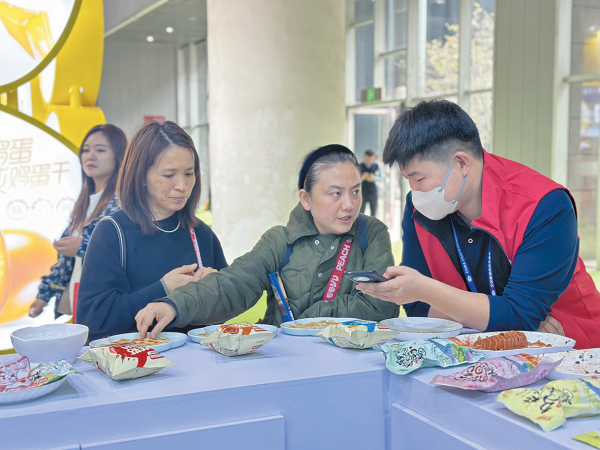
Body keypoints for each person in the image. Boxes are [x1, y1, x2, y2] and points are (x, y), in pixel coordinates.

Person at [357, 100, 600, 349]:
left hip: (572, 352)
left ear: (462, 163)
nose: (414, 190)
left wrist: (427, 290)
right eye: (408, 179)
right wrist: (504, 319)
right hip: (480, 350)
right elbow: (417, 309)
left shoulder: (544, 206)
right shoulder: (420, 206)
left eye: (419, 178)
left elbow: (519, 316)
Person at [135, 144, 399, 338]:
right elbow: (234, 283)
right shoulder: (279, 241)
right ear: (306, 199)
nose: (349, 205)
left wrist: (306, 320)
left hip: (351, 368)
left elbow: (380, 305)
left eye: (355, 192)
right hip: (286, 364)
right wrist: (175, 304)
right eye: (335, 193)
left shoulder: (370, 232)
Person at [76, 121, 228, 341]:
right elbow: (93, 320)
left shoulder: (201, 234)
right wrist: (162, 288)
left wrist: (216, 290)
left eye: (189, 174)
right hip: (136, 368)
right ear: (141, 176)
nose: (182, 186)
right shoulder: (112, 232)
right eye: (169, 175)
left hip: (197, 367)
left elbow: (225, 314)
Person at [30, 124, 126, 318]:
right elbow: (65, 263)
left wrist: (82, 247)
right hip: (79, 298)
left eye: (100, 150)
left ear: (119, 155)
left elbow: (124, 248)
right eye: (86, 150)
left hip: (108, 302)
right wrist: (44, 294)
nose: (90, 156)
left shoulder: (125, 201)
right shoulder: (84, 203)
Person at [359, 149, 380, 216]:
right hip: (362, 192)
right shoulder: (360, 166)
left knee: (373, 211)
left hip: (373, 192)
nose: (370, 160)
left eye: (371, 159)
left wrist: (374, 178)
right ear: (364, 156)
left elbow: (382, 178)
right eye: (368, 158)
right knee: (361, 211)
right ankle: (361, 225)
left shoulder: (377, 166)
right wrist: (363, 177)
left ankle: (372, 226)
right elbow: (355, 179)